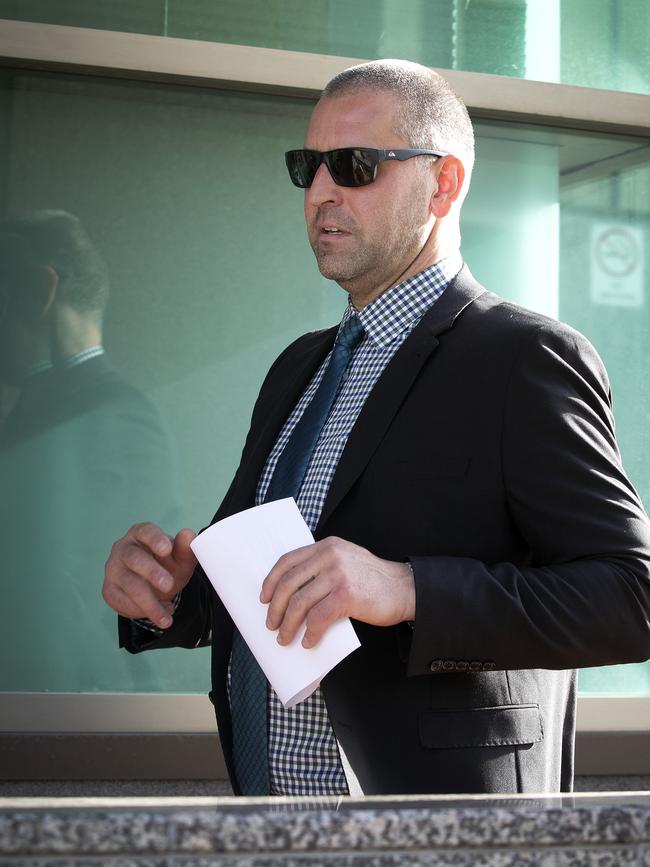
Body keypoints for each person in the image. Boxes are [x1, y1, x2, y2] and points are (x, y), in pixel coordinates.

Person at [103, 60, 650, 796]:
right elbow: (275, 589)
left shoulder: (524, 358)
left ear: (444, 183)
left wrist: (407, 588)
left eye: (356, 165)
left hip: (439, 830)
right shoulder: (297, 369)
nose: (323, 189)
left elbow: (629, 598)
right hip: (274, 824)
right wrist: (173, 594)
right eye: (310, 166)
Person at [0, 209, 182, 691]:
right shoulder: (33, 415)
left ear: (41, 291)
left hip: (62, 721)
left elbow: (70, 608)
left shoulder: (112, 419)